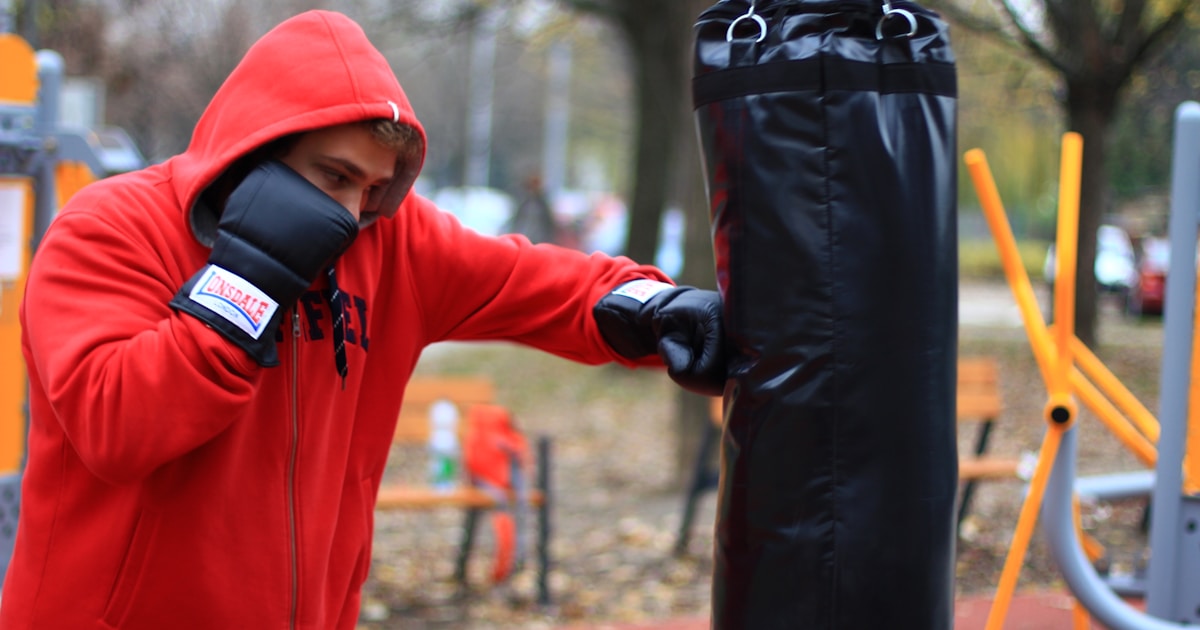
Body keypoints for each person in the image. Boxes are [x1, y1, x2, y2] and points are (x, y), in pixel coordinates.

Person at [0, 11, 724, 630]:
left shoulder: (389, 242)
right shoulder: (109, 228)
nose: (349, 214)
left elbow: (535, 283)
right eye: (334, 176)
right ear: (255, 152)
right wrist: (244, 284)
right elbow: (116, 426)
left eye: (374, 187)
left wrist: (650, 311)